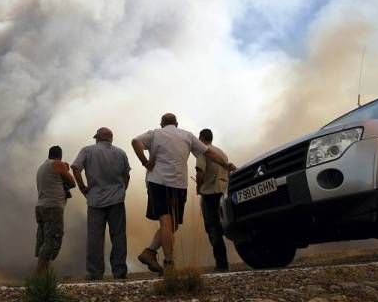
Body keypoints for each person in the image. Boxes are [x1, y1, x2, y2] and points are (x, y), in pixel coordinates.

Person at [132, 113, 235, 272]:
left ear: (161, 124)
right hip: (179, 186)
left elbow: (135, 141)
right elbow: (208, 153)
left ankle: (150, 252)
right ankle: (168, 263)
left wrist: (145, 162)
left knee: (170, 225)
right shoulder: (187, 135)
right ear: (177, 124)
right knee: (170, 224)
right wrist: (226, 164)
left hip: (157, 183)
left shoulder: (155, 134)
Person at [72, 127, 131, 280]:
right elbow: (127, 176)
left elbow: (75, 168)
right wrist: (122, 191)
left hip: (95, 201)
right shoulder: (120, 153)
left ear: (97, 137)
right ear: (111, 138)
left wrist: (83, 188)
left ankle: (95, 274)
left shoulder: (87, 151)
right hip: (117, 200)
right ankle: (119, 272)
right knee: (118, 237)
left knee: (95, 239)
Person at [34, 145, 76, 275]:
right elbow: (72, 182)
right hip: (53, 207)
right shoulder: (57, 164)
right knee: (52, 241)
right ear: (60, 156)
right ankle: (39, 275)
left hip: (41, 207)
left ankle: (43, 276)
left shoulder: (42, 167)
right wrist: (66, 169)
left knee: (43, 241)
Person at [196, 129, 230, 271]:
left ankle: (221, 265)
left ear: (201, 138)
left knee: (212, 228)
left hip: (209, 194)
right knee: (221, 227)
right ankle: (223, 263)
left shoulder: (202, 151)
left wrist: (198, 187)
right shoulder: (222, 153)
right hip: (222, 193)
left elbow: (200, 173)